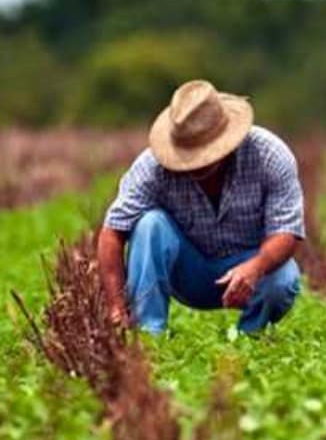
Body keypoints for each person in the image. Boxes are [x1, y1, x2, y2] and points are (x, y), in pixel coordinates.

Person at [98, 79, 305, 335]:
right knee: (150, 224)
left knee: (283, 278)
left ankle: (249, 338)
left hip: (249, 266)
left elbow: (287, 232)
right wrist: (116, 308)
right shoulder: (152, 167)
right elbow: (112, 232)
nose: (197, 164)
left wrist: (255, 267)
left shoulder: (270, 155)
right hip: (188, 271)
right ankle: (148, 335)